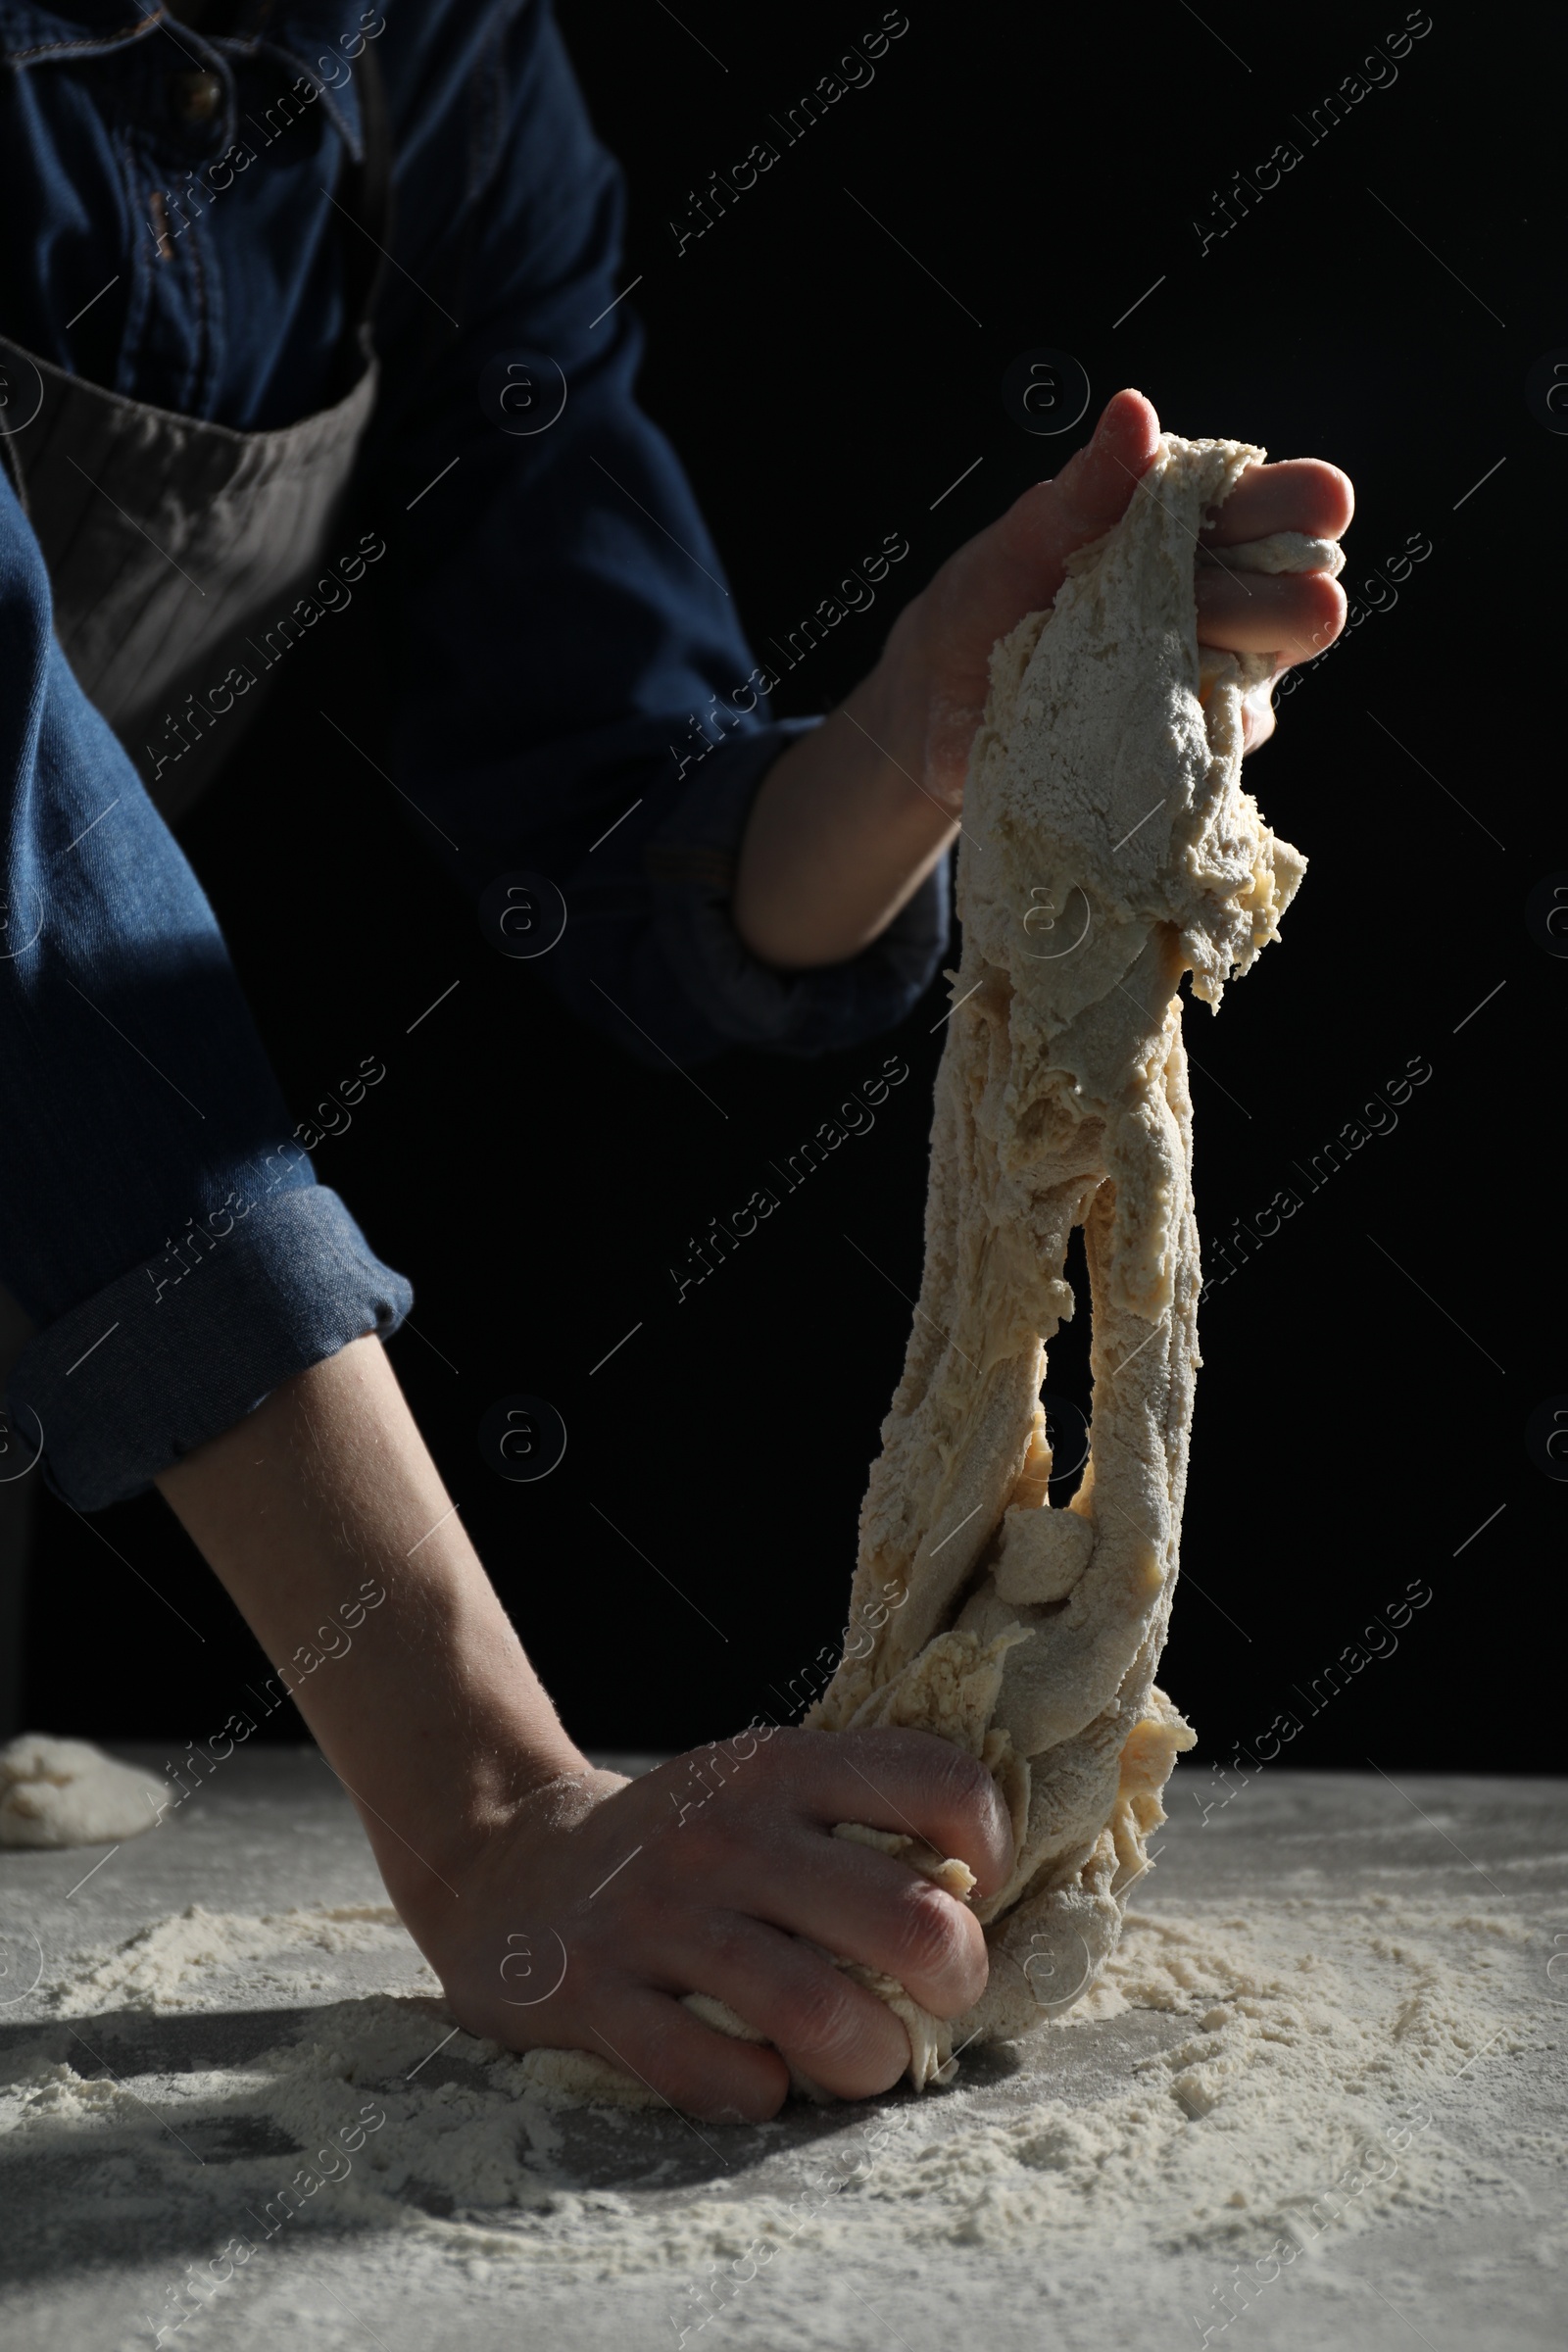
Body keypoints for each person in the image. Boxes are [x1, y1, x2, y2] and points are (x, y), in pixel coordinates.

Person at [0, 0, 1351, 2120]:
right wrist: (485, 1808)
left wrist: (921, 746)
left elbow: (619, 812)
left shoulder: (417, 54)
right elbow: (29, 869)